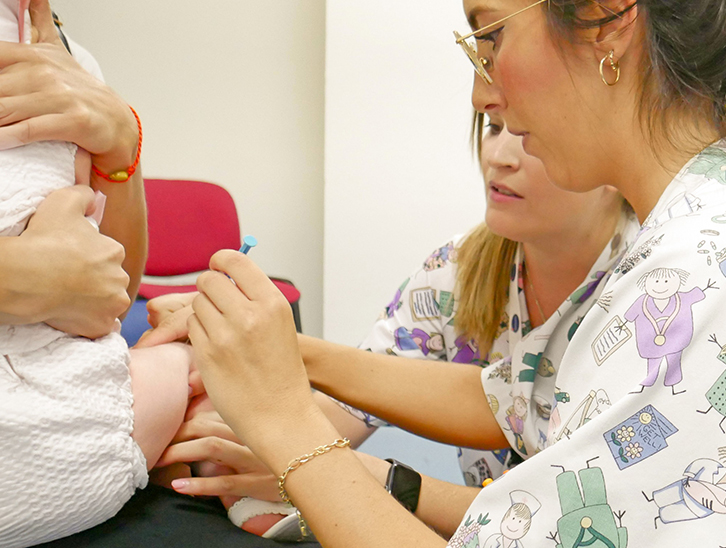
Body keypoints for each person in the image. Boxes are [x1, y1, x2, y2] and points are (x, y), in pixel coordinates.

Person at [154, 1, 726, 547]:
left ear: (609, 18)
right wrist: (292, 359)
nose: (483, 94)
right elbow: (522, 396)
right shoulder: (714, 234)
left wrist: (286, 423)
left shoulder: (710, 274)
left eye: (488, 38)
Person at [144, 112, 638, 538]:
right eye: (493, 127)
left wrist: (373, 475)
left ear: (612, 155)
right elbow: (341, 405)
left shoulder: (655, 294)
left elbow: (583, 523)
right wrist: (214, 411)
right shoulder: (456, 272)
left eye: (531, 135)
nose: (500, 156)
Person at [0, 2, 193, 546]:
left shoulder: (71, 64)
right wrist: (21, 276)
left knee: (199, 360)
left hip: (82, 442)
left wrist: (120, 145)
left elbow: (108, 290)